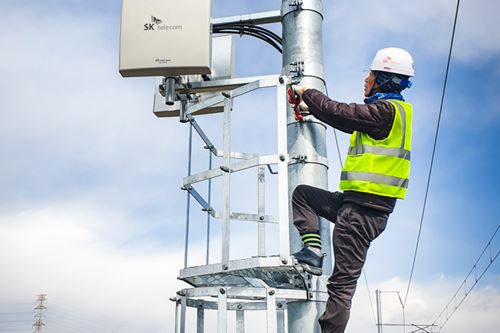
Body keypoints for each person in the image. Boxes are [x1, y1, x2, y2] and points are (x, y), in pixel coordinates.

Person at [288, 47, 414, 333]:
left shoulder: (385, 112)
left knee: (341, 286)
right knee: (304, 195)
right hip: (354, 206)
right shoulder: (386, 114)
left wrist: (307, 93)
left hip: (361, 214)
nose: (365, 80)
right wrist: (312, 109)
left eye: (369, 74)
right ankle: (313, 251)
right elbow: (343, 119)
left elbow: (341, 113)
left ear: (383, 78)